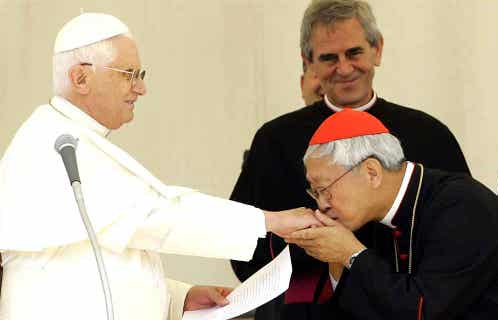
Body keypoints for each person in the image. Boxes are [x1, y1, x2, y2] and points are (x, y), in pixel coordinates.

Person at [0, 12, 319, 320]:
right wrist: (270, 221)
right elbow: (157, 216)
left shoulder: (75, 139)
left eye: (140, 76)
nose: (140, 89)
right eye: (129, 75)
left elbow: (95, 261)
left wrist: (178, 297)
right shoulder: (56, 145)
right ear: (81, 77)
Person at [229, 1, 469, 319]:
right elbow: (243, 246)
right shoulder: (275, 140)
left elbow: (460, 239)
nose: (344, 68)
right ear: (308, 62)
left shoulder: (429, 134)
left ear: (377, 50)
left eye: (353, 53)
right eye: (329, 58)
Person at [285, 108, 498, 319]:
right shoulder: (376, 217)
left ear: (371, 172)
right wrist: (336, 256)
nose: (321, 202)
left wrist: (351, 254)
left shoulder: (459, 205)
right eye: (315, 191)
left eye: (325, 187)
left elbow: (423, 309)